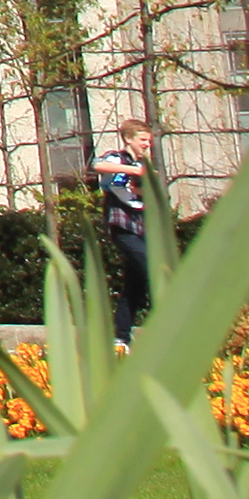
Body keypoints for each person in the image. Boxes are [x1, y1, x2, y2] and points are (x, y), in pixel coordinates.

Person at [91, 124, 159, 344]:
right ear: (128, 139)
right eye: (143, 140)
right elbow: (97, 165)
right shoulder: (117, 158)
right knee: (152, 269)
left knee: (135, 286)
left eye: (149, 141)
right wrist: (134, 171)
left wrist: (144, 183)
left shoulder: (143, 164)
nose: (147, 144)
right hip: (123, 226)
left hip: (142, 225)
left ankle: (121, 338)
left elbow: (138, 192)